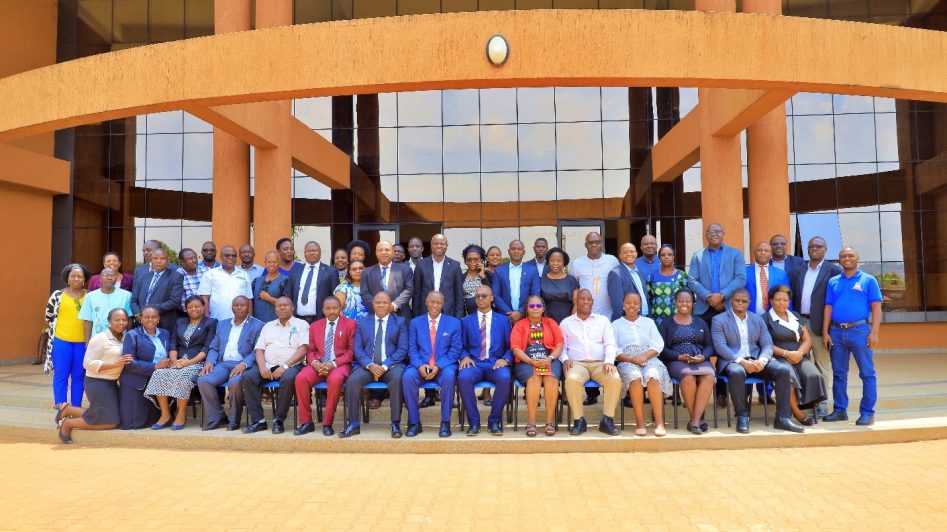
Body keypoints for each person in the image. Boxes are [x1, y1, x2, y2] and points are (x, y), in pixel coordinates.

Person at [712, 288, 803, 434]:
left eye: (744, 301)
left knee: (783, 370)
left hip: (756, 359)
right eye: (737, 300)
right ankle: (742, 416)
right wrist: (743, 362)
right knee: (737, 372)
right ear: (731, 301)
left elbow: (767, 343)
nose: (740, 303)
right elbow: (720, 346)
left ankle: (782, 418)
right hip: (733, 361)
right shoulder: (719, 320)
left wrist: (762, 360)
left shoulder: (757, 319)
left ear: (749, 303)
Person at [687, 223, 746, 409]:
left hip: (726, 307)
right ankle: (698, 391)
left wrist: (722, 295)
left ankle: (721, 394)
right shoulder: (697, 256)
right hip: (703, 310)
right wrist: (709, 297)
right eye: (710, 232)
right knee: (701, 348)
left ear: (723, 234)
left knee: (724, 349)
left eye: (717, 231)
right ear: (706, 235)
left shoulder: (735, 254)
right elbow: (692, 280)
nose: (714, 234)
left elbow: (740, 278)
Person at [822, 246, 883, 426]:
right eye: (843, 256)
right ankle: (840, 410)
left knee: (867, 373)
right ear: (839, 260)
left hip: (860, 331)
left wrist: (875, 332)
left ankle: (867, 412)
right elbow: (828, 307)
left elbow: (876, 307)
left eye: (850, 255)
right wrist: (825, 332)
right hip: (836, 332)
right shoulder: (833, 281)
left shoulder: (868, 280)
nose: (846, 258)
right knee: (839, 374)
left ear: (858, 258)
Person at [55, 309, 133, 444]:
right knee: (110, 422)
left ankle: (68, 409)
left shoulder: (126, 338)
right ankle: (68, 423)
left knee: (108, 415)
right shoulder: (99, 338)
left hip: (112, 383)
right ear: (109, 321)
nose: (121, 322)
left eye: (124, 320)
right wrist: (115, 364)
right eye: (117, 320)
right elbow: (87, 363)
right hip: (97, 382)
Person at [341, 291, 410, 438]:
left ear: (390, 305)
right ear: (373, 304)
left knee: (398, 379)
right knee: (353, 381)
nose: (381, 305)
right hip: (368, 366)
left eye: (385, 302)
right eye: (378, 302)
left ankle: (395, 423)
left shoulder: (399, 322)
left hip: (391, 366)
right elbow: (357, 349)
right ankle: (353, 423)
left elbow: (403, 349)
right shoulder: (363, 322)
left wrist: (384, 366)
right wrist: (370, 365)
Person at [144, 296, 217, 430]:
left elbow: (206, 348)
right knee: (159, 373)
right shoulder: (180, 322)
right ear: (186, 309)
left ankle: (181, 413)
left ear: (203, 307)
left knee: (183, 376)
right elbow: (173, 344)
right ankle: (165, 415)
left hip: (198, 362)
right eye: (190, 307)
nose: (194, 309)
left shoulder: (211, 323)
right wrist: (175, 361)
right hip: (177, 361)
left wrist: (188, 363)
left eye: (197, 306)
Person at [241, 297, 310, 434]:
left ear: (293, 307)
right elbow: (259, 349)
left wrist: (285, 366)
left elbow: (303, 349)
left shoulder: (302, 325)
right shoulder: (268, 326)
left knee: (288, 379)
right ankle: (259, 421)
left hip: (292, 365)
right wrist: (262, 367)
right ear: (275, 309)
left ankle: (278, 420)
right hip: (268, 364)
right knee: (248, 377)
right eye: (279, 306)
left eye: (286, 305)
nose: (282, 308)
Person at [790, 236, 841, 419]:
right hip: (800, 323)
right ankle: (804, 401)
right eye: (811, 246)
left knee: (822, 365)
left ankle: (822, 404)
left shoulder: (834, 271)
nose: (815, 249)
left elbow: (835, 301)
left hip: (820, 325)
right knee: (800, 364)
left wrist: (829, 328)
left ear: (825, 249)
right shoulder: (798, 270)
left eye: (819, 246)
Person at [197, 296, 264, 431]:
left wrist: (244, 364)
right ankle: (218, 418)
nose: (239, 307)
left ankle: (234, 420)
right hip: (223, 364)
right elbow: (214, 347)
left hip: (242, 364)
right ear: (232, 307)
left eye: (242, 305)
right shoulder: (222, 324)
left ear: (248, 307)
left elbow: (257, 350)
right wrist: (210, 361)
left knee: (235, 382)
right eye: (236, 305)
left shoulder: (258, 325)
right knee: (203, 380)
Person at [560, 289, 622, 436]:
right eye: (582, 299)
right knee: (572, 379)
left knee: (614, 379)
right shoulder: (566, 323)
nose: (585, 302)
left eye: (589, 299)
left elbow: (610, 344)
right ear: (576, 301)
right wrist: (565, 359)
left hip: (600, 364)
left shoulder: (603, 321)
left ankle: (607, 420)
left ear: (592, 302)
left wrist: (609, 361)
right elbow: (561, 346)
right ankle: (579, 421)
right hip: (577, 364)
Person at [764, 285, 826, 426]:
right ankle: (797, 413)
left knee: (813, 374)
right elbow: (765, 344)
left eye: (785, 300)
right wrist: (787, 354)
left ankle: (804, 406)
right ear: (771, 301)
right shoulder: (765, 319)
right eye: (778, 299)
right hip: (778, 357)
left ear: (789, 302)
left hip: (798, 356)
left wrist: (799, 354)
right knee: (788, 377)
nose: (781, 303)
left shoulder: (795, 316)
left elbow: (807, 340)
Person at [402, 291, 462, 438]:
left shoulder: (454, 323)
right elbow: (412, 349)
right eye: (432, 302)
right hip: (421, 365)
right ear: (426, 302)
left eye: (439, 303)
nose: (435, 305)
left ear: (443, 304)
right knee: (408, 377)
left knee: (449, 377)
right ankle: (414, 423)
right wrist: (419, 366)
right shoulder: (415, 323)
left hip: (444, 366)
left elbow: (455, 351)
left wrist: (438, 366)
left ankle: (445, 422)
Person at [293, 296, 355, 436]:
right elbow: (310, 351)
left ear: (340, 309)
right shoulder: (315, 326)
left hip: (340, 364)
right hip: (318, 364)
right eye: (328, 308)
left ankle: (328, 423)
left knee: (335, 380)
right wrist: (315, 363)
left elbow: (351, 352)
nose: (332, 311)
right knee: (301, 378)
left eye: (335, 308)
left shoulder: (351, 324)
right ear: (323, 310)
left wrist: (333, 363)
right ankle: (306, 422)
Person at [658, 288, 715, 435]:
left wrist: (703, 357)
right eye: (681, 301)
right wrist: (679, 357)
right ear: (675, 303)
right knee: (688, 377)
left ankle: (694, 421)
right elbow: (661, 348)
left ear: (692, 303)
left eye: (688, 301)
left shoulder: (700, 322)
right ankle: (697, 421)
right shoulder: (666, 323)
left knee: (709, 376)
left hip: (699, 359)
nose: (684, 304)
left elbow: (709, 346)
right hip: (676, 360)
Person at [612, 292, 670, 437]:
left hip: (649, 357)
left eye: (636, 303)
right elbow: (613, 348)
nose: (632, 305)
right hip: (626, 359)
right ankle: (640, 423)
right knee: (635, 376)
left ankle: (659, 423)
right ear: (623, 305)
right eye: (628, 302)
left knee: (653, 375)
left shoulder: (648, 322)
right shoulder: (616, 324)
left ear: (640, 306)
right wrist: (631, 359)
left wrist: (644, 356)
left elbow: (658, 344)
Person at [458, 285, 513, 436]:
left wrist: (505, 359)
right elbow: (461, 346)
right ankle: (474, 422)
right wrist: (464, 356)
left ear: (492, 298)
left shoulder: (503, 320)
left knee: (505, 377)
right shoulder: (466, 321)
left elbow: (510, 346)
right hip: (474, 364)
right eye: (477, 296)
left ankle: (494, 421)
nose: (480, 299)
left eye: (484, 296)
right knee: (463, 377)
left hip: (495, 363)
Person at [510, 295, 564, 437]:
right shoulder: (519, 325)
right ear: (527, 309)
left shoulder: (551, 323)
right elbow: (516, 348)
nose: (535, 308)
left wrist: (550, 358)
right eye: (532, 306)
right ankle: (531, 422)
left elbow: (559, 344)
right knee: (534, 378)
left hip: (549, 360)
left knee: (551, 379)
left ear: (543, 308)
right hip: (526, 361)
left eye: (538, 306)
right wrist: (531, 361)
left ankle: (549, 422)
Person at [45, 264, 91, 410]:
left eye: (80, 276)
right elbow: (49, 316)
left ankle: (75, 407)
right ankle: (61, 407)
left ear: (84, 279)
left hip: (82, 343)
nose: (76, 279)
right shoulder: (58, 295)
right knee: (61, 374)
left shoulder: (90, 296)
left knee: (79, 375)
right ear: (67, 278)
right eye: (73, 276)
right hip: (61, 341)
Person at [119, 306, 169, 429]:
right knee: (134, 423)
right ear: (140, 319)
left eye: (153, 317)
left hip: (160, 379)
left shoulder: (165, 334)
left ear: (158, 318)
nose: (150, 320)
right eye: (146, 317)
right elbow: (129, 363)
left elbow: (171, 351)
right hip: (137, 380)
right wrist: (155, 366)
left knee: (153, 418)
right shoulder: (132, 335)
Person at [131, 248, 184, 331]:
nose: (158, 261)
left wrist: (150, 311)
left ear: (168, 260)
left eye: (162, 258)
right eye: (155, 258)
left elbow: (174, 301)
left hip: (163, 322)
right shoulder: (143, 277)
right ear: (151, 260)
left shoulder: (176, 276)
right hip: (141, 321)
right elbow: (134, 300)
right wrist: (138, 313)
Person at [569, 232, 620, 319]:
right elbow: (573, 287)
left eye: (597, 242)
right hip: (585, 313)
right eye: (590, 242)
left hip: (608, 312)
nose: (594, 245)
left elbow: (618, 283)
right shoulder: (577, 263)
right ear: (586, 245)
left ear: (601, 244)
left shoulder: (612, 260)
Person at [413, 234, 465, 319]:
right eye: (436, 243)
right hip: (425, 311)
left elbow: (459, 294)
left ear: (446, 246)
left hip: (447, 311)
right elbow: (416, 293)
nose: (439, 246)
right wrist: (416, 316)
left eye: (442, 244)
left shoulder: (455, 265)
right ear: (431, 245)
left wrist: (458, 318)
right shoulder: (421, 264)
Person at [360, 240, 414, 320]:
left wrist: (394, 305)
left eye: (387, 250)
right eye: (380, 250)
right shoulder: (367, 272)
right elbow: (364, 293)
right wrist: (379, 306)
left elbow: (409, 290)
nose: (384, 252)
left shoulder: (405, 270)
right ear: (376, 253)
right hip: (376, 316)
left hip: (400, 315)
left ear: (392, 252)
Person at [197, 246, 253, 321]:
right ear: (220, 256)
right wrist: (207, 319)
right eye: (227, 255)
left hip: (240, 321)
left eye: (233, 255)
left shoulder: (244, 275)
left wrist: (249, 319)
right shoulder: (210, 274)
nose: (230, 257)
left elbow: (249, 299)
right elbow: (205, 298)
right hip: (217, 319)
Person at [492, 240, 541, 324]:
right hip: (504, 316)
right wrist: (510, 313)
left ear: (524, 252)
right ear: (508, 251)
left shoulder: (532, 270)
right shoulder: (499, 270)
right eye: (513, 249)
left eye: (519, 249)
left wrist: (520, 312)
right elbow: (495, 295)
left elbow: (535, 294)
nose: (516, 251)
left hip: (526, 316)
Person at [79, 267, 132, 342]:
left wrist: (129, 341)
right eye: (106, 275)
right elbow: (88, 321)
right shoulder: (90, 296)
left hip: (120, 340)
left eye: (112, 275)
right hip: (97, 340)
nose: (109, 278)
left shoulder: (127, 295)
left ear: (116, 278)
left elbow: (129, 319)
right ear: (100, 279)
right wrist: (88, 343)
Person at [290, 241, 337, 324]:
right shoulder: (296, 271)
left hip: (320, 319)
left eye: (315, 250)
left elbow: (335, 296)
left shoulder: (331, 272)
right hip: (297, 320)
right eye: (308, 251)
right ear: (304, 253)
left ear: (320, 252)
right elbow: (289, 294)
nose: (311, 253)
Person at [607, 242, 651, 321]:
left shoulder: (639, 272)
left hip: (644, 318)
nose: (629, 254)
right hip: (628, 321)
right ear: (620, 255)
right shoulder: (616, 274)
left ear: (636, 254)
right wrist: (623, 322)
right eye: (625, 252)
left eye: (632, 251)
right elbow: (617, 304)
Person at [746, 241, 791, 316]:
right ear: (754, 252)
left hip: (774, 317)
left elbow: (787, 296)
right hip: (749, 316)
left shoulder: (781, 274)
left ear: (771, 254)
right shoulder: (744, 272)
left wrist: (788, 316)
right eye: (759, 250)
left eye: (766, 251)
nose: (763, 253)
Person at [649, 244, 689, 324]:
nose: (666, 257)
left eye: (670, 254)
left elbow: (689, 298)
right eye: (663, 255)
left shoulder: (682, 275)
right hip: (658, 320)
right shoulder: (652, 276)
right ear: (659, 258)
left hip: (679, 319)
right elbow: (649, 297)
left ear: (674, 257)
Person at [540, 247, 578, 323]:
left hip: (567, 320)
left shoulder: (571, 280)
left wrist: (571, 322)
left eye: (559, 260)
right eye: (552, 260)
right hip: (546, 320)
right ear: (548, 262)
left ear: (564, 262)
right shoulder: (541, 280)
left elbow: (576, 304)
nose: (555, 263)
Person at [252, 251, 292, 323]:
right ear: (265, 263)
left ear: (279, 263)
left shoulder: (285, 280)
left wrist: (269, 299)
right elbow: (251, 301)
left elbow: (287, 305)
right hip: (257, 323)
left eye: (274, 262)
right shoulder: (257, 280)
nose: (271, 264)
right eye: (269, 262)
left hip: (276, 323)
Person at [461, 244, 492, 316]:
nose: (472, 262)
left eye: (476, 259)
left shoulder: (488, 275)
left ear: (481, 260)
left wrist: (483, 276)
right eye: (469, 259)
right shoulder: (461, 277)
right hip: (467, 315)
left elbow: (491, 294)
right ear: (465, 261)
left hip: (485, 314)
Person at [177, 248, 203, 315]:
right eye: (190, 259)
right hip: (185, 315)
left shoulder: (206, 271)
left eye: (195, 257)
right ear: (181, 262)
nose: (194, 260)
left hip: (205, 313)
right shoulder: (176, 275)